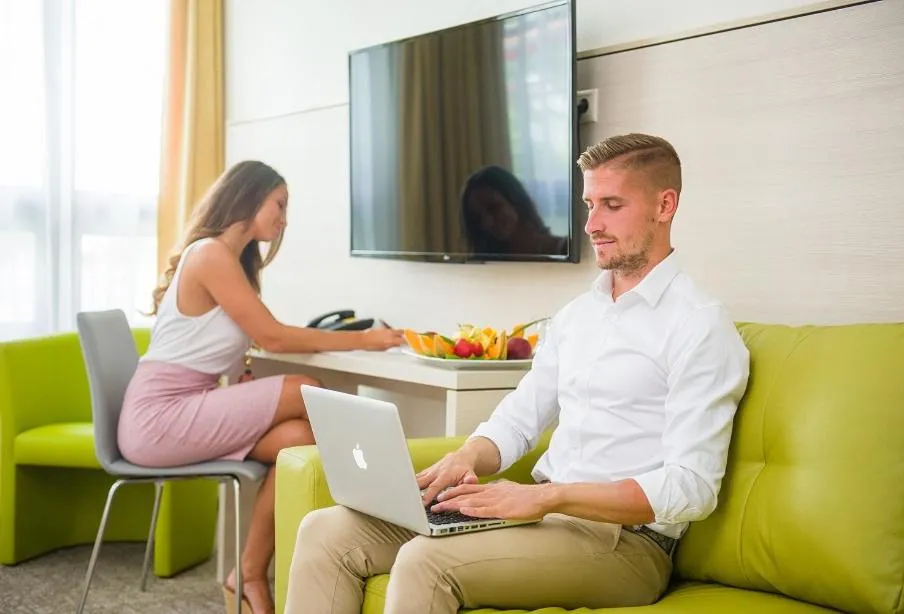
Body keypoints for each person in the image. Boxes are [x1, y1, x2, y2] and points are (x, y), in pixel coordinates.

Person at [283, 134, 751, 613]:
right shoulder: (576, 316)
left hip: (626, 545)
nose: (592, 225)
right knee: (325, 531)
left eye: (612, 205)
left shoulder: (699, 326)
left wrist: (549, 499)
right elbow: (519, 420)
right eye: (590, 205)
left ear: (664, 205)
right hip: (544, 516)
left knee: (426, 562)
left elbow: (691, 489)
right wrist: (467, 455)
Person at [118, 160, 404, 614]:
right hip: (158, 417)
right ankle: (380, 507)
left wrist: (244, 378)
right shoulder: (210, 254)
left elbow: (239, 347)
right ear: (249, 198)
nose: (284, 219)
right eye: (279, 204)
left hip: (187, 407)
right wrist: (365, 340)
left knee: (300, 440)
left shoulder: (230, 261)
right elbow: (272, 337)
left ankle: (248, 572)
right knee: (306, 388)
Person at [460, 165, 568, 256]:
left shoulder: (565, 250)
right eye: (477, 218)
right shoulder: (488, 266)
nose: (486, 222)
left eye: (493, 208)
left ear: (515, 199)